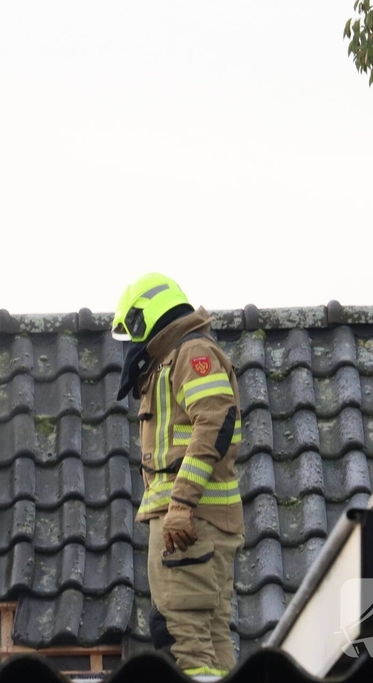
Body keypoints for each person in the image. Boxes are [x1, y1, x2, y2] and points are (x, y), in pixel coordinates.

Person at [111, 273, 245, 682]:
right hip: (202, 524)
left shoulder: (192, 353)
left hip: (188, 525)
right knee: (211, 639)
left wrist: (182, 504)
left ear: (143, 318)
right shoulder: (175, 359)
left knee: (180, 636)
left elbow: (216, 419)